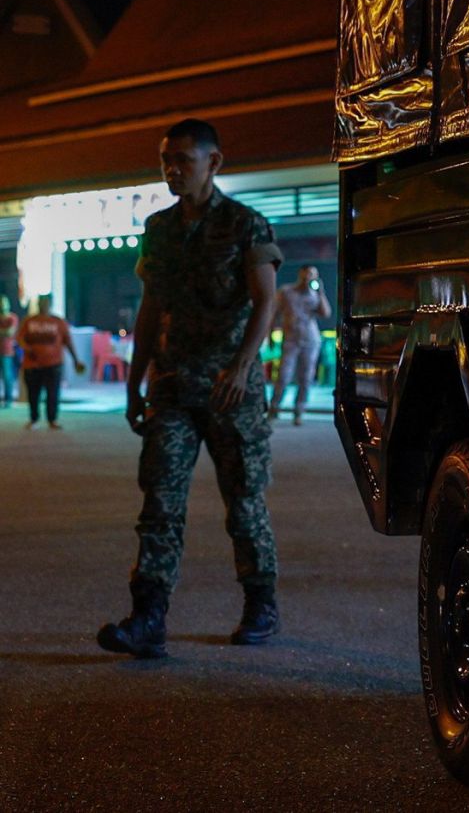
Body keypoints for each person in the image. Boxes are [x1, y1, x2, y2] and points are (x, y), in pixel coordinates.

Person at [97, 118, 283, 659]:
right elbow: (150, 308)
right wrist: (134, 384)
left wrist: (242, 368)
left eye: (183, 159)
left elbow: (265, 301)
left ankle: (261, 604)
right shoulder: (159, 228)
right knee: (159, 503)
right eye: (166, 161)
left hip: (230, 391)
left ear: (213, 163)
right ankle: (148, 618)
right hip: (173, 386)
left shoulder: (245, 224)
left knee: (244, 502)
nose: (172, 170)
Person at [269, 265, 330, 425]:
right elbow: (274, 313)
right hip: (290, 339)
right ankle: (274, 408)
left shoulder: (315, 294)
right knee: (284, 376)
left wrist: (321, 293)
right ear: (300, 274)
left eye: (312, 274)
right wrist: (270, 335)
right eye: (306, 274)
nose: (308, 277)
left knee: (306, 378)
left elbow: (326, 313)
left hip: (311, 340)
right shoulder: (286, 291)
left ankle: (299, 411)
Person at [16, 294, 84, 428]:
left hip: (54, 363)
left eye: (46, 303)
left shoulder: (58, 322)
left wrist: (76, 360)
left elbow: (68, 341)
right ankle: (34, 418)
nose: (43, 305)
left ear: (50, 304)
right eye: (41, 302)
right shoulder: (29, 321)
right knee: (33, 393)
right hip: (32, 364)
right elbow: (20, 338)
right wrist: (27, 348)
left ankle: (52, 419)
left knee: (53, 393)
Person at [0, 295, 16, 408]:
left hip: (7, 351)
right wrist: (4, 332)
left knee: (7, 376)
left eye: (4, 303)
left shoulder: (12, 318)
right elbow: (6, 332)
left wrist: (4, 332)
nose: (2, 305)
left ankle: (8, 399)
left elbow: (10, 332)